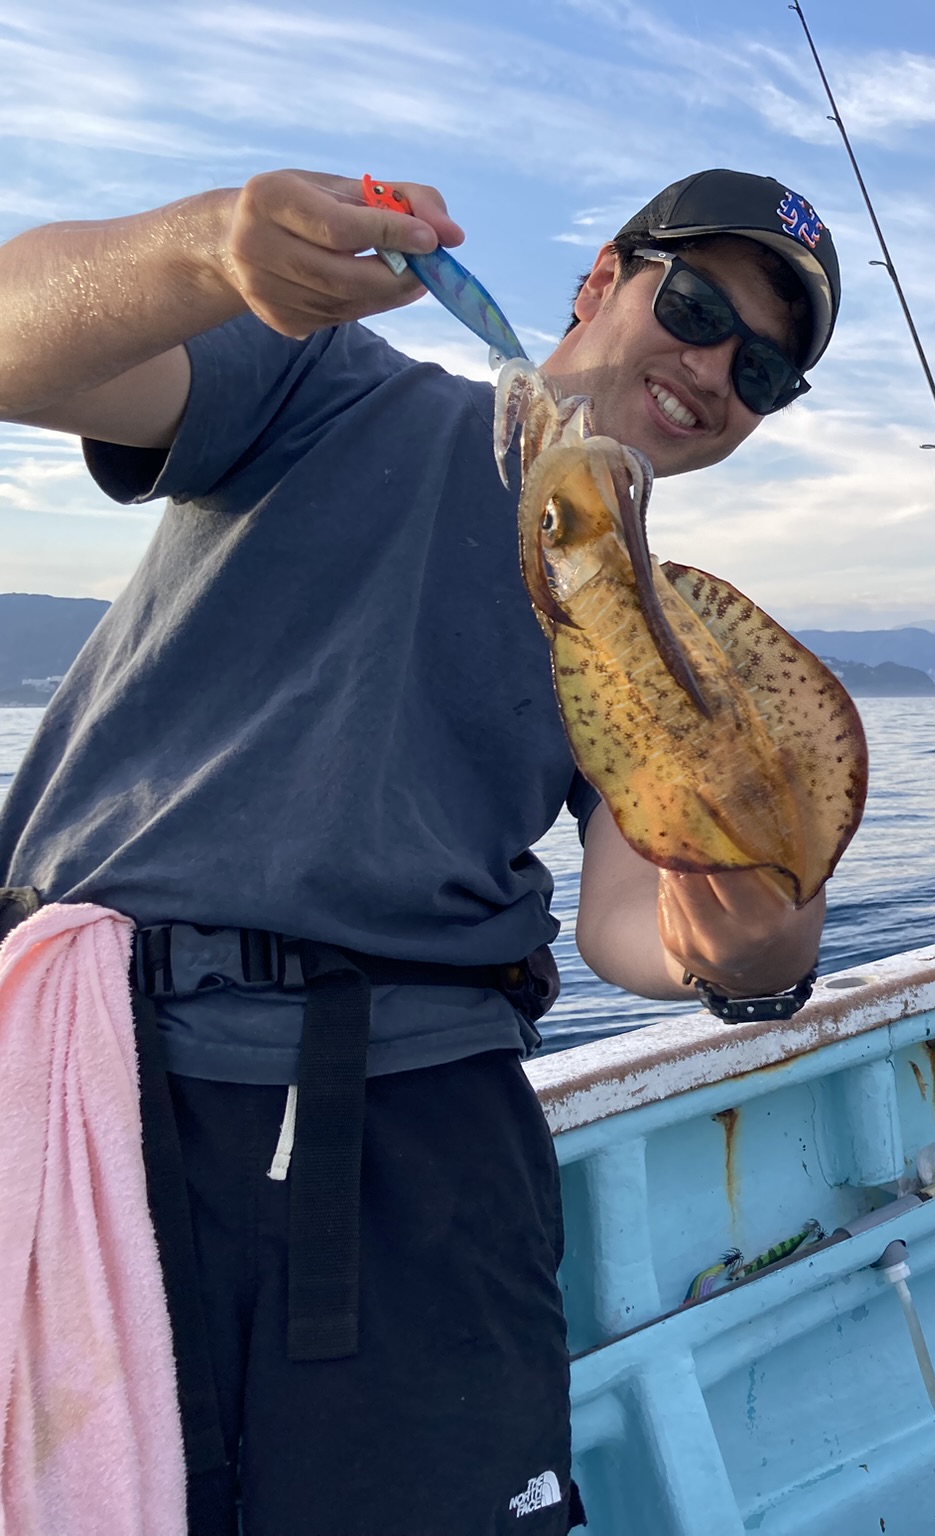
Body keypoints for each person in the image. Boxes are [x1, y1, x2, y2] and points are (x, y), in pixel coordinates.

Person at [0, 165, 840, 1534]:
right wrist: (207, 252)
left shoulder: (660, 637)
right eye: (695, 307)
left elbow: (631, 918)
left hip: (426, 1128)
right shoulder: (327, 382)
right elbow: (14, 343)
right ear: (600, 280)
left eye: (761, 371)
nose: (712, 371)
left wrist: (748, 946)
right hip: (111, 1076)